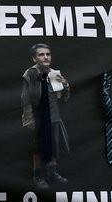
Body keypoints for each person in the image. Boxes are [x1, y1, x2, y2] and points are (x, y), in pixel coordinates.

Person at [21, 43, 70, 189]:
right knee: (38, 146)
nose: (46, 57)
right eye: (41, 54)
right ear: (34, 58)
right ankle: (38, 175)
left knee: (54, 144)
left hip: (53, 115)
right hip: (37, 116)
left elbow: (64, 97)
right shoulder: (30, 73)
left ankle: (52, 172)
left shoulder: (55, 74)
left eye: (48, 54)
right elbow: (26, 98)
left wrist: (65, 84)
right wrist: (29, 119)